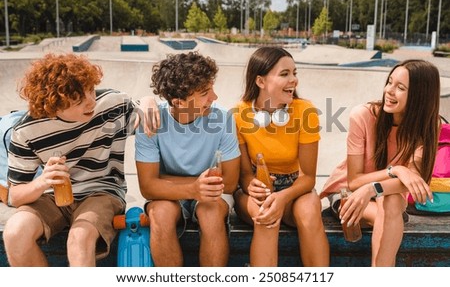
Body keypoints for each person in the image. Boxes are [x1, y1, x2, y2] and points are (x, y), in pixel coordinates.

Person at [2, 53, 152, 267]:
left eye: (91, 90)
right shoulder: (26, 132)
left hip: (101, 191)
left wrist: (148, 101)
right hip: (53, 197)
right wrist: (42, 182)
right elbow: (15, 195)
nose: (91, 102)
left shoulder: (112, 105)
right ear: (53, 106)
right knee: (15, 233)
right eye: (79, 101)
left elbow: (168, 114)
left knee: (79, 237)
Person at [320, 59, 440, 266]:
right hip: (346, 193)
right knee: (390, 210)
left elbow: (413, 182)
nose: (389, 91)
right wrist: (398, 170)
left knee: (391, 202)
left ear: (419, 96)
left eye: (400, 88)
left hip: (386, 198)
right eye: (390, 82)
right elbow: (354, 180)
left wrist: (372, 189)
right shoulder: (363, 116)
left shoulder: (428, 126)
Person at [135, 51, 240, 267]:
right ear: (179, 102)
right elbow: (147, 186)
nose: (214, 97)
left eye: (211, 88)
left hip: (210, 194)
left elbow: (229, 182)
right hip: (172, 197)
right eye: (204, 93)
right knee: (160, 213)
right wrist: (194, 187)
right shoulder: (151, 121)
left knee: (210, 213)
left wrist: (167, 182)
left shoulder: (223, 118)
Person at [233, 46, 329, 267]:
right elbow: (245, 175)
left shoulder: (305, 111)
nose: (294, 80)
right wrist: (253, 186)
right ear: (260, 81)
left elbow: (308, 178)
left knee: (310, 209)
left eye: (294, 73)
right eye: (285, 74)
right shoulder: (238, 115)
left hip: (294, 188)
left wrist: (282, 197)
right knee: (266, 215)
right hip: (254, 193)